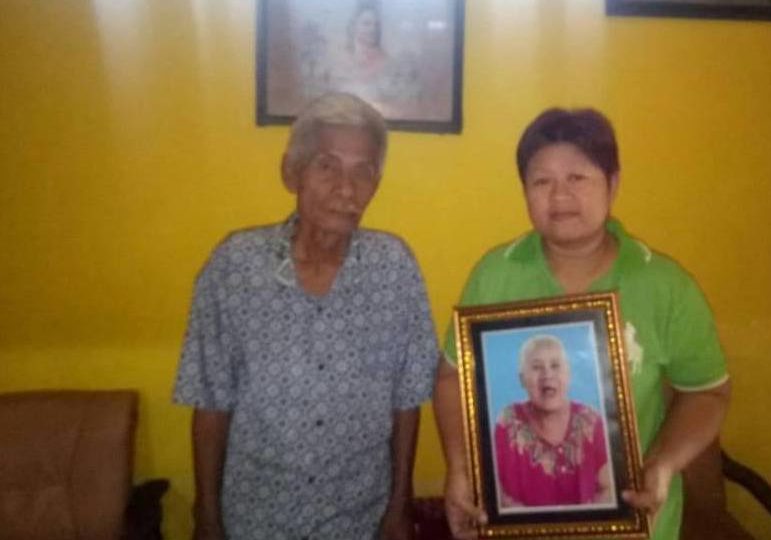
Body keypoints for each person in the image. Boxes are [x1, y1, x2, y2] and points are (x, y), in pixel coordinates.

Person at [433, 108, 731, 540]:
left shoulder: (665, 285)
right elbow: (450, 380)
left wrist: (663, 464)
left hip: (633, 527)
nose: (559, 196)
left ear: (612, 184)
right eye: (541, 181)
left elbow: (707, 391)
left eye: (578, 177)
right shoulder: (495, 275)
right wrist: (459, 470)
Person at [173, 92, 439, 540]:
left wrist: (399, 509)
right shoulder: (234, 267)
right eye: (326, 166)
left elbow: (406, 400)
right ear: (291, 172)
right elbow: (212, 402)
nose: (345, 189)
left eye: (364, 172)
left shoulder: (395, 268)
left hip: (359, 520)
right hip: (255, 521)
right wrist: (207, 515)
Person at [494, 334, 612, 509]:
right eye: (536, 367)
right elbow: (496, 495)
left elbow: (609, 489)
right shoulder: (508, 421)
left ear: (569, 374)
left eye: (555, 366)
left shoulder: (591, 421)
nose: (547, 374)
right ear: (522, 380)